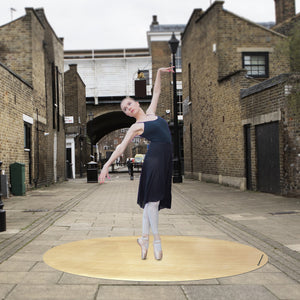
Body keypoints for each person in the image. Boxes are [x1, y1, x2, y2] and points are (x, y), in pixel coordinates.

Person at [99, 66, 174, 260]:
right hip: (155, 160)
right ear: (128, 114)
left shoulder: (151, 111)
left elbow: (156, 91)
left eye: (130, 104)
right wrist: (106, 165)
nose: (128, 107)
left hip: (165, 159)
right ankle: (156, 241)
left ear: (137, 103)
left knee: (151, 203)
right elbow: (120, 148)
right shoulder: (135, 126)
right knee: (153, 202)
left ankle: (143, 239)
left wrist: (158, 72)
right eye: (125, 109)